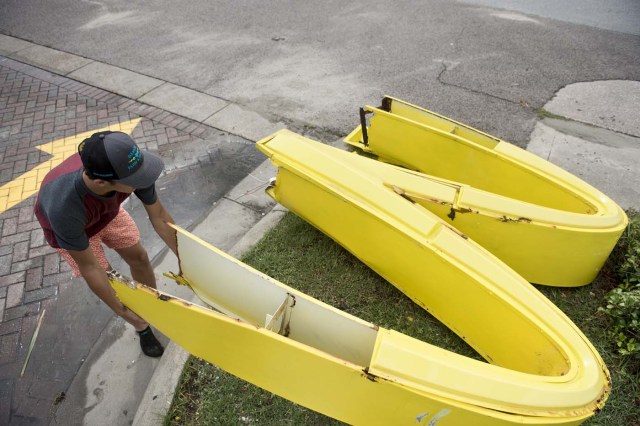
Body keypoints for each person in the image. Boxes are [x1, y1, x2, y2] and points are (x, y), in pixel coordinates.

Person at [34, 130, 177, 357]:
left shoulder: (127, 168)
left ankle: (151, 304)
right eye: (135, 181)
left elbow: (159, 215)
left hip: (106, 215)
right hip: (75, 232)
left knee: (139, 257)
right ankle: (141, 326)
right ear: (101, 182)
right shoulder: (63, 208)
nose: (144, 181)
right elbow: (90, 267)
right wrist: (122, 311)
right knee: (110, 280)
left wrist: (184, 258)